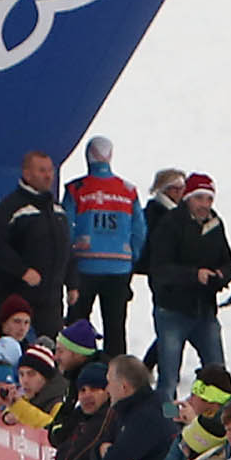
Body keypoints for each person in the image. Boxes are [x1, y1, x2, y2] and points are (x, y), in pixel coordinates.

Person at [141, 174, 231, 389]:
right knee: (169, 379)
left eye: (209, 199)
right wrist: (194, 275)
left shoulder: (215, 224)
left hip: (205, 310)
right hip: (171, 310)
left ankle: (216, 419)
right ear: (188, 198)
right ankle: (166, 418)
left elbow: (229, 262)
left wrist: (221, 274)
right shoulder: (169, 224)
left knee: (217, 373)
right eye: (199, 198)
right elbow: (160, 269)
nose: (205, 204)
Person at [64, 136, 144, 356]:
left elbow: (65, 227)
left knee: (76, 327)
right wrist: (131, 256)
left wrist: (69, 259)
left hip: (84, 266)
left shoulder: (75, 189)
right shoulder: (128, 190)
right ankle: (116, 376)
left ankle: (77, 374)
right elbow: (140, 229)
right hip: (119, 268)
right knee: (116, 328)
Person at [0, 150, 70, 340]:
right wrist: (23, 271)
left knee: (52, 349)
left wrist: (73, 283)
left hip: (50, 299)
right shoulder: (10, 207)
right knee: (11, 349)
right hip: (15, 297)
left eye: (50, 171)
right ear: (27, 174)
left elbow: (66, 250)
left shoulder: (57, 210)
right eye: (42, 171)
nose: (48, 176)